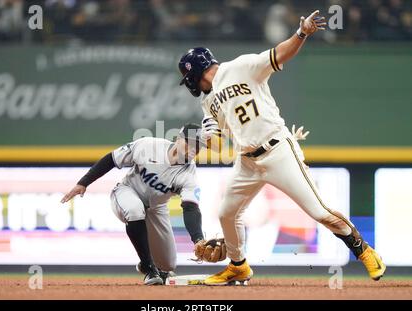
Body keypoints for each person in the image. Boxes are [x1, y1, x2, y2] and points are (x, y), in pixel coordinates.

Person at [178, 10, 386, 285]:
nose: (189, 84)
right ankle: (238, 266)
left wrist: (301, 34)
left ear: (194, 73)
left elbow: (280, 54)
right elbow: (216, 138)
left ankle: (364, 250)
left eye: (188, 78)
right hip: (246, 162)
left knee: (320, 211)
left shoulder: (240, 66)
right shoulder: (207, 102)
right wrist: (205, 138)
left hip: (277, 151)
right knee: (227, 213)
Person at [61, 124, 207, 285]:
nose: (192, 150)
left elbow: (190, 208)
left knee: (168, 265)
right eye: (190, 143)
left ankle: (148, 264)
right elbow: (112, 159)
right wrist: (84, 183)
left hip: (156, 208)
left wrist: (198, 239)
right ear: (178, 138)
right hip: (126, 192)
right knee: (135, 209)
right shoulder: (149, 146)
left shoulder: (189, 175)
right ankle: (149, 267)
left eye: (198, 147)